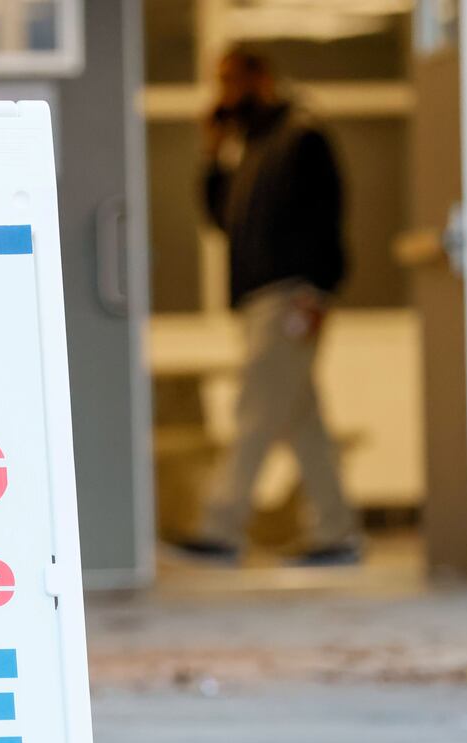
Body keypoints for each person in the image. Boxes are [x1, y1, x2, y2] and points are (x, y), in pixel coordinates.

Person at [171, 47, 360, 566]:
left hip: (291, 297)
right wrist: (212, 152)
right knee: (303, 424)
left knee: (252, 413)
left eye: (231, 81)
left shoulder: (303, 136)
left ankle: (221, 528)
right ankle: (338, 534)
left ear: (261, 79)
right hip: (257, 300)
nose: (224, 94)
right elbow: (221, 222)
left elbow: (330, 219)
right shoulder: (252, 146)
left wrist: (320, 291)